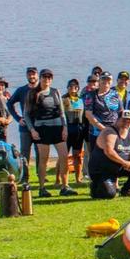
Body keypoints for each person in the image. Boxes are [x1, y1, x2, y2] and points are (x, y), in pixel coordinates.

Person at [26, 68, 74, 197]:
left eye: (49, 78)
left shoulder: (55, 92)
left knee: (64, 156)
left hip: (57, 127)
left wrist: (65, 128)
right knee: (44, 159)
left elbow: (61, 112)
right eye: (44, 77)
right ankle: (42, 188)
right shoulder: (33, 93)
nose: (47, 80)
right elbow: (26, 114)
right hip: (41, 129)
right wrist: (32, 130)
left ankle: (65, 186)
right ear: (40, 78)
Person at [89, 109, 130, 198]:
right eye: (124, 120)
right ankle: (95, 186)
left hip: (118, 168)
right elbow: (109, 152)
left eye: (129, 121)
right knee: (110, 194)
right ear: (117, 119)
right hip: (103, 170)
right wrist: (125, 162)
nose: (126, 122)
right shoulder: (109, 132)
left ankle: (126, 190)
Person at [8, 66, 40, 173]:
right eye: (29, 74)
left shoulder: (42, 89)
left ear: (37, 75)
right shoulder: (21, 90)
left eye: (33, 74)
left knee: (40, 151)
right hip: (25, 126)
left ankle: (41, 174)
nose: (31, 76)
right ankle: (24, 175)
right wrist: (18, 118)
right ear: (26, 75)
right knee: (25, 152)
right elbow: (9, 103)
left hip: (40, 125)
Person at [84, 71, 123, 151]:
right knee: (96, 159)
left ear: (112, 82)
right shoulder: (91, 95)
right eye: (103, 79)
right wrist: (104, 129)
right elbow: (88, 115)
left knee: (114, 156)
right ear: (99, 81)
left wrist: (119, 128)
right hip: (97, 132)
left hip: (113, 131)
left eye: (108, 79)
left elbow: (121, 112)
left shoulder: (116, 94)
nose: (106, 81)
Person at [64, 78, 87, 186]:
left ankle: (78, 178)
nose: (73, 88)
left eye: (75, 86)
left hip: (78, 129)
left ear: (78, 88)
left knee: (77, 155)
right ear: (67, 87)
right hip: (67, 129)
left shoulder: (81, 99)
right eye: (71, 86)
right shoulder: (63, 99)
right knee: (64, 155)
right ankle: (61, 180)